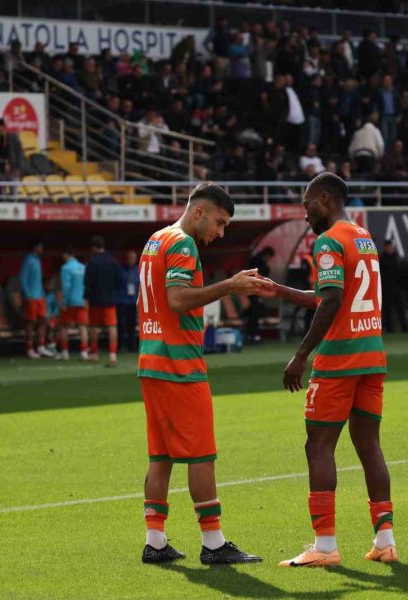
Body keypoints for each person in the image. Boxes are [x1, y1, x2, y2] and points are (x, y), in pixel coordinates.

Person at [260, 173, 396, 567]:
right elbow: (330, 296)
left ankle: (324, 547)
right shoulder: (362, 237)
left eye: (306, 206)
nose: (305, 216)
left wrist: (302, 354)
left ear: (324, 198)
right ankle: (385, 541)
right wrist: (280, 290)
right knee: (369, 444)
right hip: (372, 355)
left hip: (340, 359)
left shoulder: (328, 239)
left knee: (318, 445)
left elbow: (332, 300)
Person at [137, 182, 267, 565]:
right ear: (199, 211)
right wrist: (230, 285)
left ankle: (155, 541)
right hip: (180, 365)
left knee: (161, 455)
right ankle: (213, 542)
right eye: (220, 221)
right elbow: (177, 300)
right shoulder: (182, 243)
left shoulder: (155, 239)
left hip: (152, 360)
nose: (220, 231)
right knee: (200, 454)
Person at [85, 236, 121, 367]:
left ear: (94, 248)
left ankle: (94, 354)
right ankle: (112, 355)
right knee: (112, 327)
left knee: (94, 327)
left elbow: (88, 283)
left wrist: (87, 298)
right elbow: (119, 280)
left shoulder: (92, 262)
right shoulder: (113, 261)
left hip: (95, 300)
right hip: (110, 300)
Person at [20, 241, 53, 359]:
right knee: (31, 322)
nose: (42, 250)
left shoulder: (38, 260)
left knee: (43, 320)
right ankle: (29, 348)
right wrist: (28, 295)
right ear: (35, 247)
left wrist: (43, 294)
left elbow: (38, 280)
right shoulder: (28, 260)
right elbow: (23, 279)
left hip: (40, 296)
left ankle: (41, 346)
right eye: (40, 247)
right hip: (31, 297)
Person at [58, 247, 89, 361]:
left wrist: (64, 302)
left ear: (66, 255)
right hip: (82, 300)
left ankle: (65, 352)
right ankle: (84, 352)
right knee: (83, 327)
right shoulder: (83, 267)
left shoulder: (65, 268)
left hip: (70, 301)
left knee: (64, 326)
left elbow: (66, 286)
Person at [379, 239, 408, 333]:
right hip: (386, 287)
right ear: (385, 247)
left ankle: (405, 326)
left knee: (401, 307)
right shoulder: (381, 258)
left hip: (398, 286)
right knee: (388, 309)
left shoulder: (396, 257)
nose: (390, 248)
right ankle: (389, 327)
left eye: (391, 246)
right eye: (388, 246)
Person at [245, 247, 274, 343]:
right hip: (252, 289)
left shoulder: (256, 260)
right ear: (267, 255)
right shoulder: (258, 262)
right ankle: (253, 334)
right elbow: (261, 274)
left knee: (255, 311)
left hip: (253, 289)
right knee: (254, 312)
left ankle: (252, 334)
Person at [116, 250, 139, 353]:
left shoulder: (138, 270)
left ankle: (132, 346)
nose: (132, 260)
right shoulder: (120, 270)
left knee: (132, 325)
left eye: (133, 258)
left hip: (133, 302)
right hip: (122, 301)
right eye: (130, 258)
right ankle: (120, 346)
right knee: (121, 324)